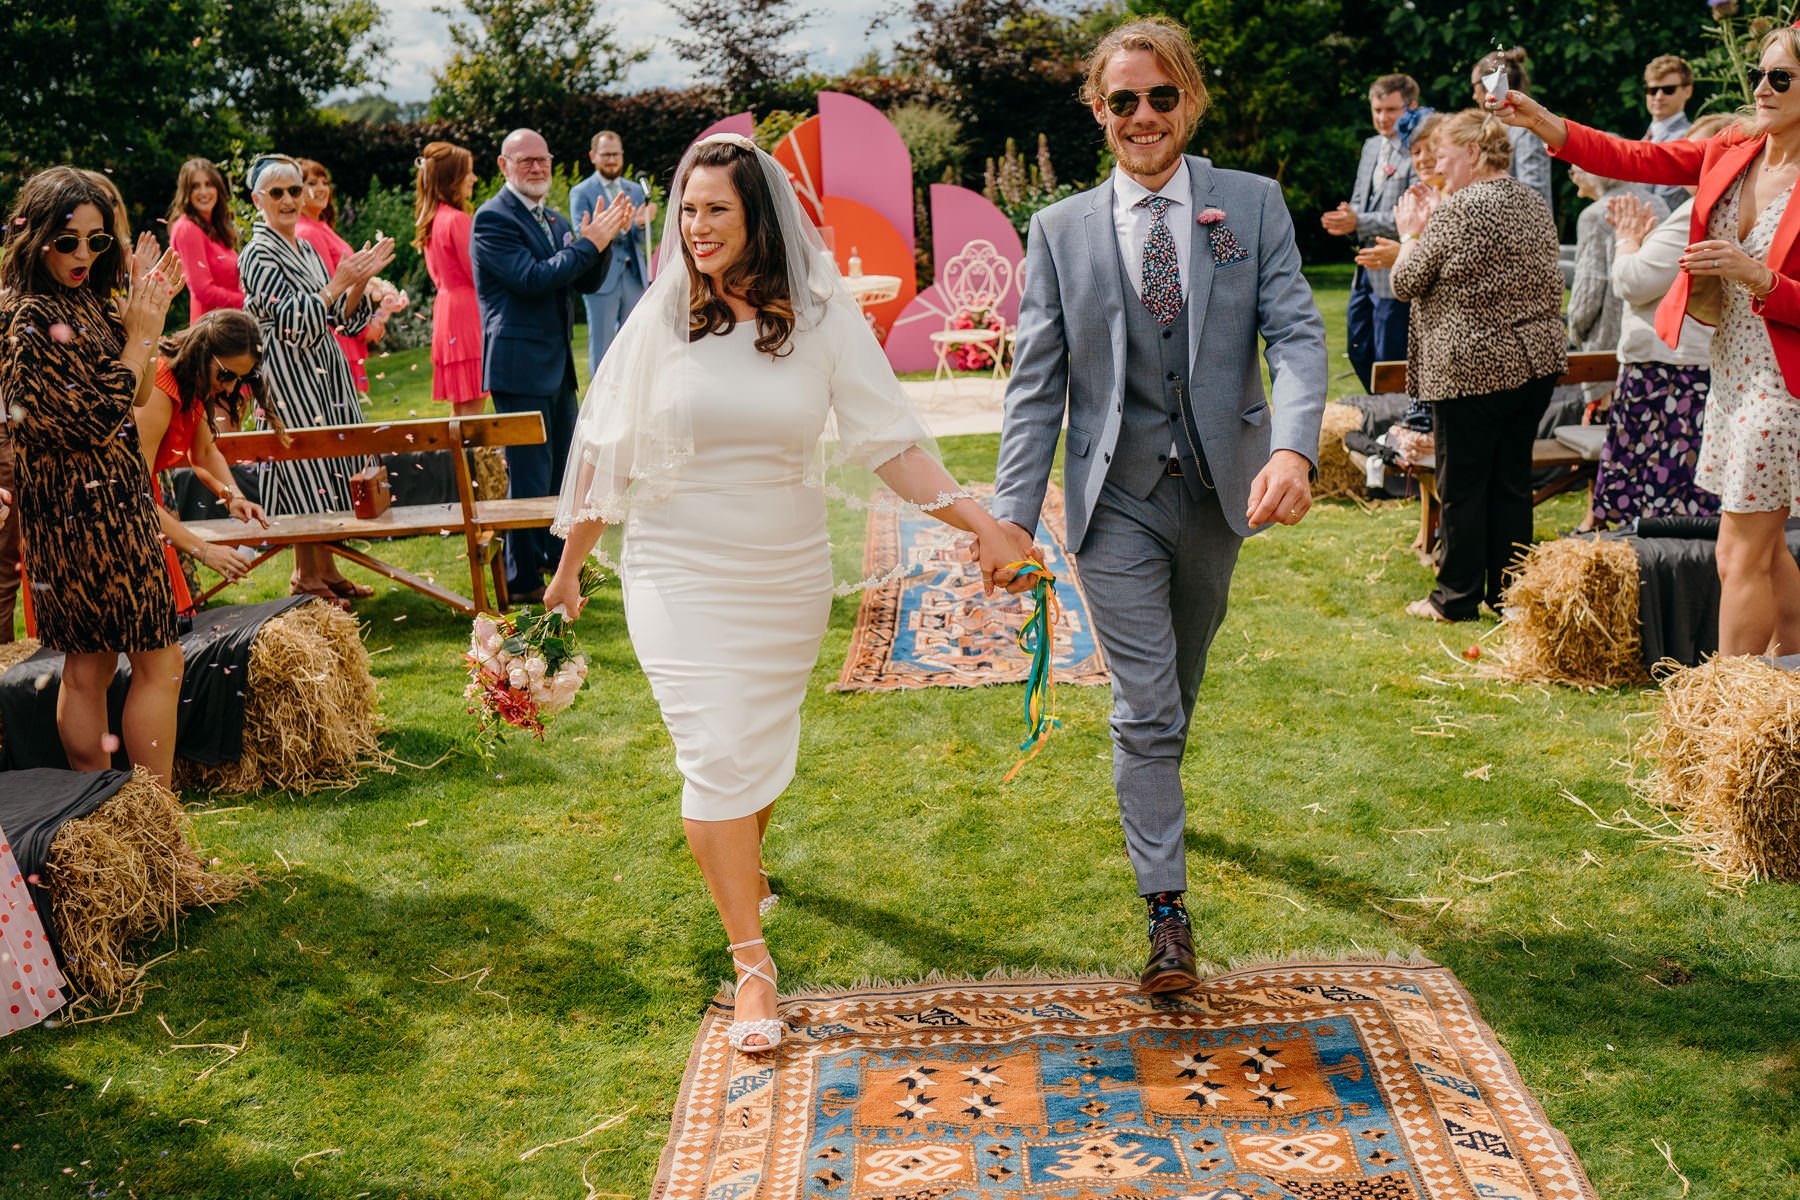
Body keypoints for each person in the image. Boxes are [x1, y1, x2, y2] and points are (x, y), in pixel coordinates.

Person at [542, 134, 1020, 1053]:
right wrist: (568, 573)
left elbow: (889, 442)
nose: (697, 226)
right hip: (678, 568)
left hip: (784, 571)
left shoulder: (822, 316)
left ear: (758, 216)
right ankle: (752, 965)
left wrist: (985, 525)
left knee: (756, 749)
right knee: (716, 755)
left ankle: (740, 864)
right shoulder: (663, 315)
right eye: (686, 209)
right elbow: (608, 447)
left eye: (716, 208)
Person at [988, 15, 1328, 992]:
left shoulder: (1253, 206)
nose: (1144, 117)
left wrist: (1297, 448)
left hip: (1221, 495)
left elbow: (1299, 336)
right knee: (1144, 704)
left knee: (1178, 682)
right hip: (1115, 499)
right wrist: (1013, 515)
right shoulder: (1057, 232)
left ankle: (1159, 791)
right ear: (1099, 112)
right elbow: (1036, 386)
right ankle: (1167, 911)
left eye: (1161, 96)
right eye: (1123, 101)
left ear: (1190, 99)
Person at [1498, 32, 1800, 658]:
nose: (1762, 89)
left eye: (1782, 79)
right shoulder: (1733, 148)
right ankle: (1787, 669)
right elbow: (1637, 159)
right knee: (1766, 546)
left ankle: (1726, 707)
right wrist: (1552, 127)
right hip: (1733, 371)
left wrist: (1759, 277)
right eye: (1761, 74)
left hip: (1783, 386)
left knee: (1736, 549)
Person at [0, 166, 187, 783]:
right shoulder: (28, 319)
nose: (84, 254)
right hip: (87, 515)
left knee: (93, 665)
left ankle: (117, 818)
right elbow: (96, 419)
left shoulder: (77, 301)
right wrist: (139, 339)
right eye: (69, 240)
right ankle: (147, 818)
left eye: (97, 241)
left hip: (100, 505)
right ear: (36, 237)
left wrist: (143, 322)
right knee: (150, 662)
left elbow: (131, 397)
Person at [1391, 111, 1567, 622]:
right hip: (1533, 365)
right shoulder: (1532, 202)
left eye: (1444, 156)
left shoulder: (1459, 209)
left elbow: (1407, 282)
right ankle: (1510, 595)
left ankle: (1455, 597)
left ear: (1473, 153)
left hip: (1472, 369)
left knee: (1463, 486)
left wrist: (1410, 234)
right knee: (1511, 484)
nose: (1438, 167)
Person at [472, 128, 632, 605]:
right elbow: (532, 278)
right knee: (528, 476)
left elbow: (581, 279)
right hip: (519, 364)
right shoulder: (492, 219)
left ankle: (552, 559)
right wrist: (589, 243)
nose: (537, 168)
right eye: (526, 161)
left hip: (557, 364)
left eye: (543, 159)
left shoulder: (554, 216)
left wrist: (599, 244)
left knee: (563, 471)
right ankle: (522, 580)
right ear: (504, 166)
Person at [240, 154, 394, 608]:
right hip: (286, 372)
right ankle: (306, 577)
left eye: (294, 190)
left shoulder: (305, 248)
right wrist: (337, 283)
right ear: (258, 200)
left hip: (325, 370)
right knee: (301, 465)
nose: (289, 199)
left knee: (331, 465)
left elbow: (340, 321)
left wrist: (359, 283)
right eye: (278, 192)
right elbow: (292, 321)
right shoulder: (256, 254)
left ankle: (326, 568)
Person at [1585, 114, 1738, 531]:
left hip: (1668, 372)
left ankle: (1653, 574)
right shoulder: (1722, 208)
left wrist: (1628, 241)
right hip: (1686, 364)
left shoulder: (1697, 212)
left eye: (1698, 153)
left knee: (1659, 494)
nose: (1687, 162)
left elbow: (1632, 282)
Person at [135, 310, 274, 611]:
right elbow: (133, 491)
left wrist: (233, 495)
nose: (230, 388)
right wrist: (206, 551)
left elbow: (205, 453)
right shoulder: (160, 390)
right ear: (201, 352)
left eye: (241, 379)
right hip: (125, 509)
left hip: (145, 506)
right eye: (225, 375)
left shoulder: (192, 385)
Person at [1323, 74, 1420, 392]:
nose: (1382, 118)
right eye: (1377, 109)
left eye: (1391, 110)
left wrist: (1358, 221)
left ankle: (1394, 417)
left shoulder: (1420, 150)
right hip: (1364, 268)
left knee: (1390, 355)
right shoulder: (1371, 147)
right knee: (1358, 347)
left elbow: (1413, 215)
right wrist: (1346, 219)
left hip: (1397, 268)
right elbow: (1358, 202)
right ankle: (1379, 406)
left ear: (1411, 107)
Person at [296, 159, 404, 395]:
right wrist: (366, 327)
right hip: (335, 333)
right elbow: (330, 289)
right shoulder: (307, 232)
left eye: (325, 182)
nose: (322, 188)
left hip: (343, 329)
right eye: (312, 182)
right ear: (297, 190)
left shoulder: (321, 227)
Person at [1567, 167, 1667, 411]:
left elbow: (1588, 293)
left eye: (1575, 171)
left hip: (1610, 347)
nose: (1573, 177)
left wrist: (1574, 332)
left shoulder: (1595, 215)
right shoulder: (1659, 204)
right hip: (1659, 342)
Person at [569, 130, 656, 377]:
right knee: (602, 344)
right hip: (602, 277)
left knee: (636, 341)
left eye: (616, 154)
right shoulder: (581, 191)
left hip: (633, 276)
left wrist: (641, 224)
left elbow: (640, 239)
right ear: (593, 157)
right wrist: (623, 226)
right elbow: (582, 233)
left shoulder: (635, 189)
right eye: (606, 155)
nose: (612, 160)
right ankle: (600, 405)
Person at [415, 141, 487, 417]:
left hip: (447, 311)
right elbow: (477, 273)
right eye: (468, 172)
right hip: (467, 312)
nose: (474, 178)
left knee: (462, 408)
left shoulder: (433, 220)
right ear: (453, 178)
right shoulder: (457, 220)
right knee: (472, 409)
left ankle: (458, 459)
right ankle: (469, 459)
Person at [1471, 48, 1555, 217]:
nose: (1474, 96)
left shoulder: (1525, 131)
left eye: (1475, 87)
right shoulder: (1491, 127)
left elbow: (1534, 194)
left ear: (1489, 85)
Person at [167, 157, 244, 318]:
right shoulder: (187, 229)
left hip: (231, 321)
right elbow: (203, 290)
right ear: (186, 192)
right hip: (213, 329)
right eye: (195, 187)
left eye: (209, 184)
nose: (203, 192)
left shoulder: (215, 228)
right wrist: (248, 301)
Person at [1643, 54, 1697, 211]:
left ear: (1687, 91)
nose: (1658, 97)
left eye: (1668, 90)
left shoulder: (1688, 138)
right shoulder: (1646, 137)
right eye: (1652, 90)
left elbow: (1665, 205)